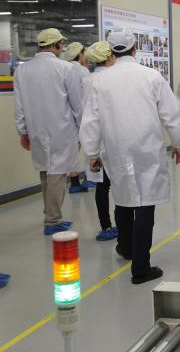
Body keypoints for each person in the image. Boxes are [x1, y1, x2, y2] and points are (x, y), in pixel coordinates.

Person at [79, 29, 180, 284]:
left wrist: (92, 152)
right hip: (146, 148)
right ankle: (141, 267)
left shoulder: (99, 80)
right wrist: (178, 142)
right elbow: (171, 113)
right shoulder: (151, 76)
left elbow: (90, 120)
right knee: (145, 203)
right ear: (135, 48)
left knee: (123, 197)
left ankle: (126, 248)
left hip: (116, 148)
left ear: (111, 50)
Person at [14, 28, 82, 235]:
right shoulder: (65, 68)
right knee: (57, 174)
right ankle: (52, 221)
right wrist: (83, 130)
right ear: (56, 45)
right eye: (61, 44)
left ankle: (49, 213)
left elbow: (20, 106)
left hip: (36, 129)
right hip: (61, 129)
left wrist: (23, 131)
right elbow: (77, 104)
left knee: (46, 171)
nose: (62, 48)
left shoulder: (22, 70)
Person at [83, 41, 119, 241]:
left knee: (101, 185)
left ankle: (106, 226)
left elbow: (87, 118)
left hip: (95, 141)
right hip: (113, 140)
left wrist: (91, 152)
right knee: (120, 184)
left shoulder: (87, 80)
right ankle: (122, 225)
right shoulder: (110, 79)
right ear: (109, 57)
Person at [61, 41, 93, 192]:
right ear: (80, 54)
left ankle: (74, 183)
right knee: (89, 146)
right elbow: (84, 97)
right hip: (81, 114)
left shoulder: (62, 68)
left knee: (72, 150)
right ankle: (90, 179)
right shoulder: (82, 71)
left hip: (65, 116)